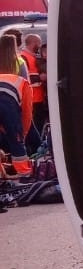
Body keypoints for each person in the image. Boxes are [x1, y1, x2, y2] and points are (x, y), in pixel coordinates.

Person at [0, 34, 32, 174]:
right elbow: (26, 109)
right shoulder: (19, 61)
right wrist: (22, 132)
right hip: (12, 104)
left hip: (8, 102)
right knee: (16, 140)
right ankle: (24, 174)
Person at [20, 34, 46, 145]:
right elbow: (23, 78)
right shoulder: (24, 57)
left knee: (38, 126)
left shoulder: (34, 57)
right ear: (34, 43)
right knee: (34, 128)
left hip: (38, 98)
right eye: (39, 44)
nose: (40, 47)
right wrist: (39, 78)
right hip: (32, 100)